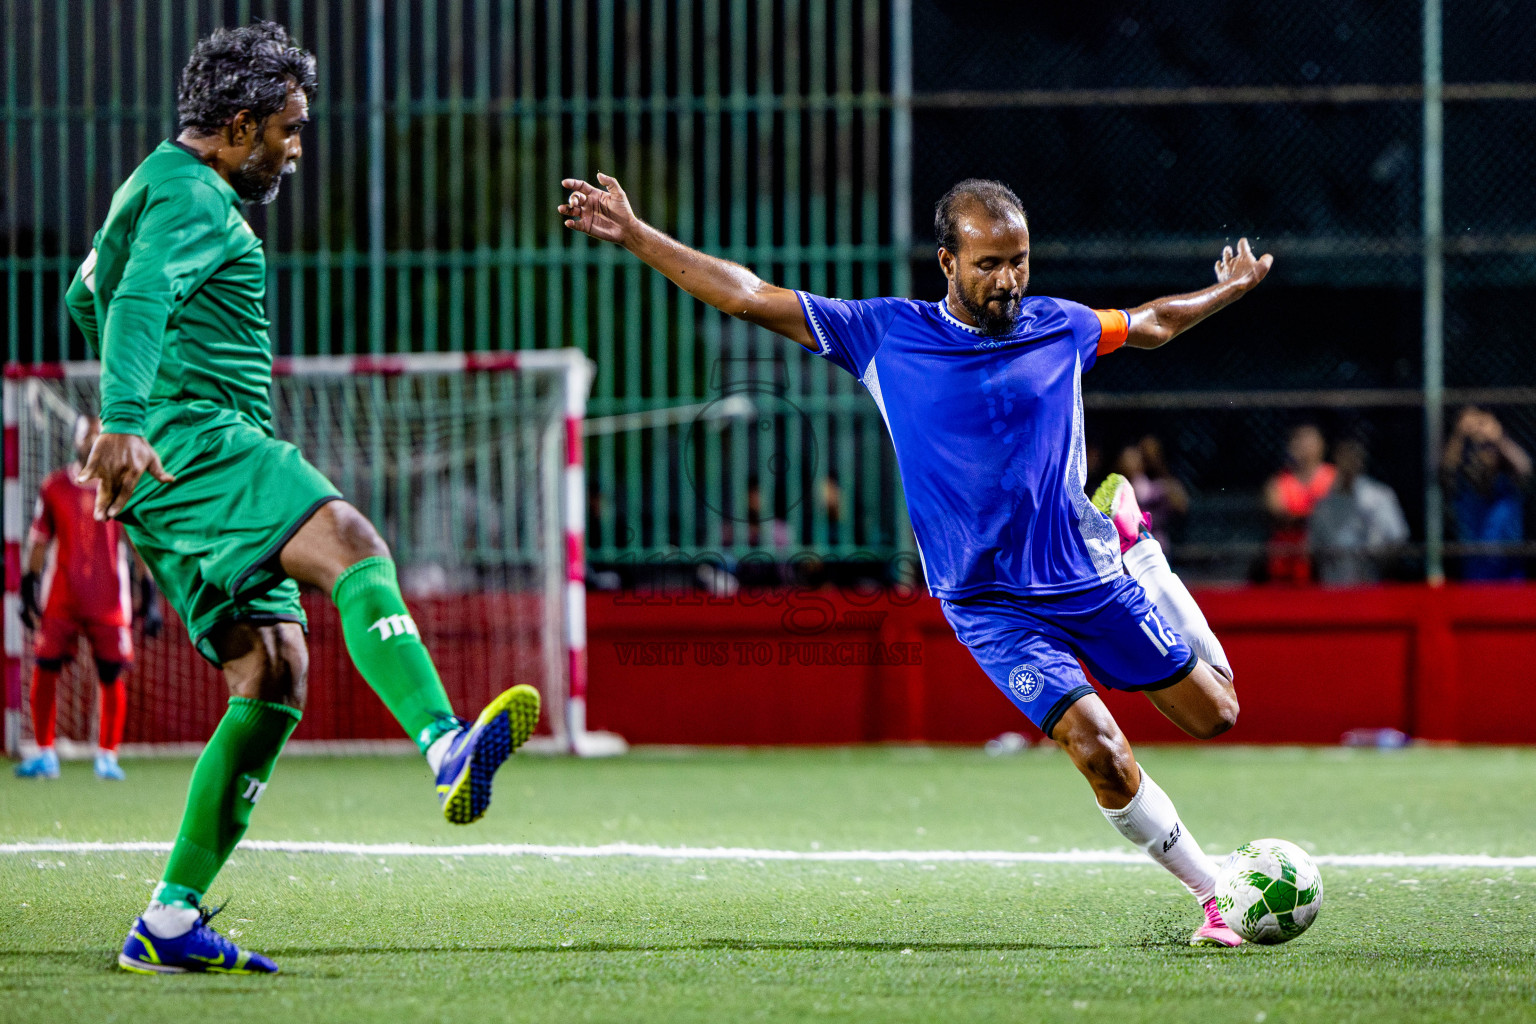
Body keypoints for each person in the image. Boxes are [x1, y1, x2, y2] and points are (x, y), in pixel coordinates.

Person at [561, 172, 1268, 946]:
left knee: (1217, 716)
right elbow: (746, 293)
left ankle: (1145, 558)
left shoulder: (1062, 326)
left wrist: (1225, 292)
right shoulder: (884, 335)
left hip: (1088, 576)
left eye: (1020, 261)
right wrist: (635, 233)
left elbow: (1155, 323)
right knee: (1098, 747)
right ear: (947, 263)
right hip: (987, 606)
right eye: (990, 264)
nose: (1009, 281)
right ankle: (1213, 895)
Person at [64, 23, 539, 976]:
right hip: (199, 441)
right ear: (239, 125)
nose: (295, 146)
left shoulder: (152, 186)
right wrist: (127, 415)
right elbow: (136, 301)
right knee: (350, 538)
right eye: (288, 128)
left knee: (274, 674)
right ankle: (445, 742)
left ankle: (167, 919)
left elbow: (89, 296)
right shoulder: (194, 195)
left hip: (171, 462)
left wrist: (125, 416)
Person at [16, 414, 164, 781]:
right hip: (62, 597)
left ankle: (107, 756)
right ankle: (46, 753)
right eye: (89, 437)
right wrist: (28, 584)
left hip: (109, 600)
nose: (94, 443)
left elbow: (138, 542)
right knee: (45, 667)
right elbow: (38, 540)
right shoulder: (54, 487)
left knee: (112, 675)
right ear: (77, 442)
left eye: (100, 436)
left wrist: (149, 591)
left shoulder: (120, 486)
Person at [1442, 406, 1531, 581]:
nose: (1484, 454)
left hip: (1511, 583)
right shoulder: (1463, 491)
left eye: (1489, 448)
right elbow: (1447, 471)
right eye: (1478, 448)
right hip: (1475, 585)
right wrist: (1460, 434)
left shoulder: (1508, 487)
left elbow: (1524, 467)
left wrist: (1497, 437)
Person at [1307, 439, 1409, 585]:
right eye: (1344, 456)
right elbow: (1315, 546)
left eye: (1354, 456)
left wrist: (1376, 555)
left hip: (1371, 583)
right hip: (1335, 586)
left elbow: (1397, 537)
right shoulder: (1323, 505)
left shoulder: (1380, 497)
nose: (1349, 462)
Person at [1263, 423, 1335, 584]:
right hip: (1285, 562)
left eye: (1308, 439)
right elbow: (1278, 515)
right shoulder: (1279, 482)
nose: (1303, 445)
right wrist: (1313, 515)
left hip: (1325, 560)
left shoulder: (1333, 478)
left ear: (1322, 444)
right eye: (1298, 439)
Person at [1112, 435, 1188, 552]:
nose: (1131, 462)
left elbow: (1181, 505)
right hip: (1127, 547)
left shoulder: (1157, 484)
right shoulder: (1115, 487)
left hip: (1156, 542)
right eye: (1128, 458)